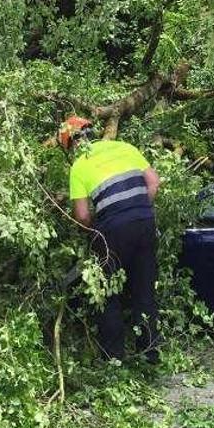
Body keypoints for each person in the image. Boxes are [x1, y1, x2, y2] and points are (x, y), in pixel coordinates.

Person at [58, 115, 162, 363]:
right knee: (144, 290)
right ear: (91, 133)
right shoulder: (126, 147)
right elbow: (154, 182)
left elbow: (82, 216)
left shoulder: (79, 165)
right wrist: (137, 210)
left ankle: (113, 358)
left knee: (107, 293)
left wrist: (101, 226)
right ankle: (150, 354)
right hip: (145, 222)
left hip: (112, 230)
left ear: (72, 145)